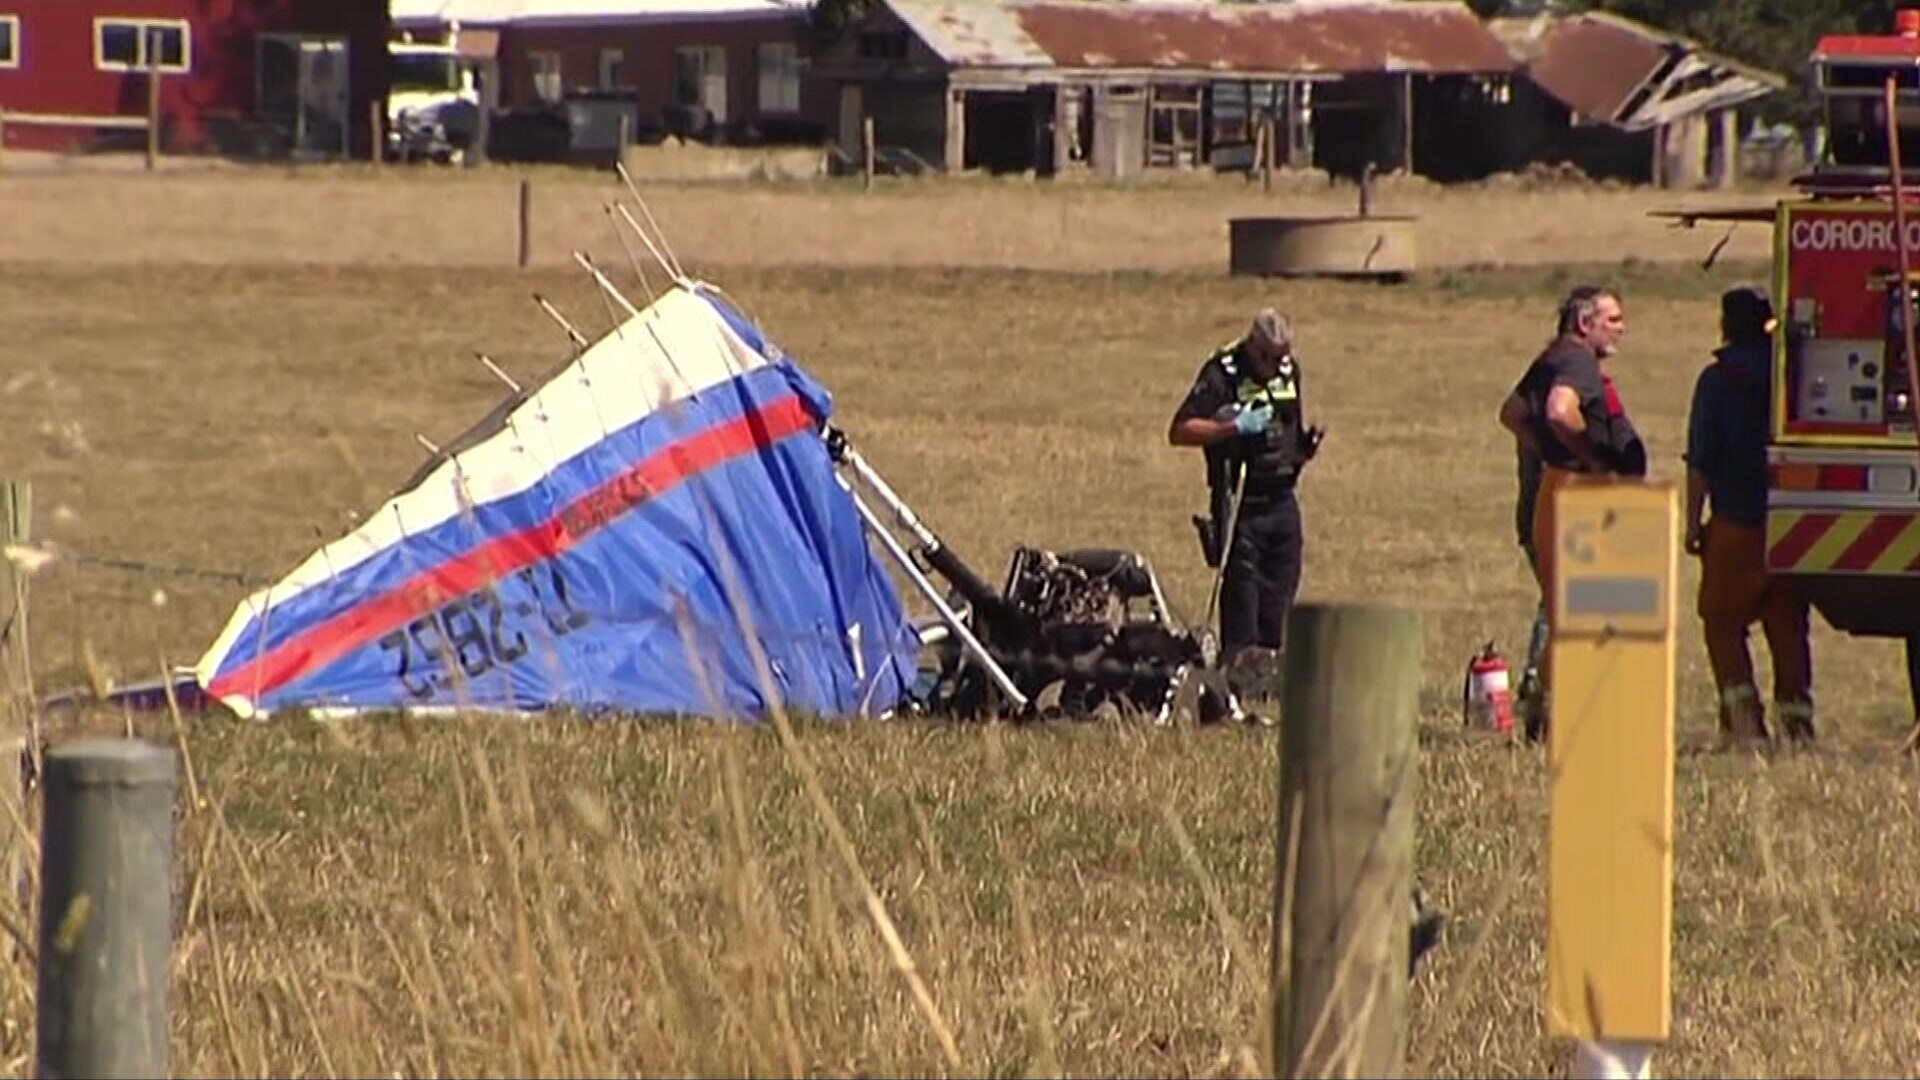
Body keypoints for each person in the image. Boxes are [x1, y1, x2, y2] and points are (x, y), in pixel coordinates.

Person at [1497, 285, 1645, 741]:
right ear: (1586, 324)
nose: (1622, 328)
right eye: (1613, 319)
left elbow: (1512, 414)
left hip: (1554, 492)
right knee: (1586, 613)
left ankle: (1542, 704)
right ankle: (1563, 714)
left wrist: (1550, 455)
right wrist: (1590, 457)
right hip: (1579, 499)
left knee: (1565, 612)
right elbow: (1561, 412)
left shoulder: (1551, 358)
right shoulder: (1577, 362)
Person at [1169, 307, 1324, 707]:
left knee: (1279, 603)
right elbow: (1181, 430)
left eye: (1282, 356)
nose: (1275, 366)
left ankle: (1269, 692)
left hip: (1282, 502)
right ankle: (1234, 695)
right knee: (1244, 607)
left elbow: (1289, 426)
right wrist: (1231, 428)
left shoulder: (1290, 373)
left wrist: (1302, 450)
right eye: (1268, 357)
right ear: (1252, 346)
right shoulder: (1222, 373)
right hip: (1240, 503)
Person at [1683, 286, 1814, 747]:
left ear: (1725, 324)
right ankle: (1797, 723)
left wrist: (1691, 523)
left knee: (1721, 620)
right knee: (1787, 622)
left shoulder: (1716, 381)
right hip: (1790, 519)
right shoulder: (1789, 373)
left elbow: (1700, 460)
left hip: (1736, 521)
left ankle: (1745, 724)